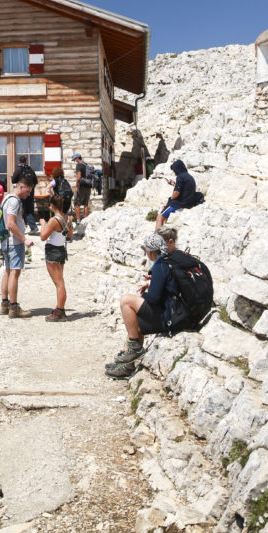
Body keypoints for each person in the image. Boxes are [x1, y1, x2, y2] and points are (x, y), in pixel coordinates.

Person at [104, 232, 180, 379]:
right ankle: (126, 365)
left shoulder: (160, 266)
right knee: (134, 321)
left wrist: (144, 295)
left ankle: (133, 349)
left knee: (126, 301)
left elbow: (153, 298)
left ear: (150, 252)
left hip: (168, 316)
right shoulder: (169, 260)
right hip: (175, 312)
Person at [0, 179, 34, 318]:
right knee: (15, 273)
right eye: (28, 191)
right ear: (21, 187)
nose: (29, 194)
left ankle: (4, 304)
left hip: (5, 241)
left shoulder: (6, 198)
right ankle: (14, 307)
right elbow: (11, 224)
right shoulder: (14, 201)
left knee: (7, 271)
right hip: (15, 242)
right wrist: (24, 239)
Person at [39, 194, 71, 322]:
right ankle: (59, 307)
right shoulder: (68, 218)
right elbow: (70, 234)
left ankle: (60, 311)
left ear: (52, 205)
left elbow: (42, 237)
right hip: (61, 250)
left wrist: (43, 224)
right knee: (60, 281)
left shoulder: (53, 220)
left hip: (52, 251)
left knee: (59, 283)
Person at [155, 159, 198, 229]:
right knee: (166, 211)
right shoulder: (189, 176)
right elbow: (184, 189)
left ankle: (157, 237)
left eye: (174, 170)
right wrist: (174, 184)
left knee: (159, 217)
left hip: (181, 203)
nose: (174, 172)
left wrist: (170, 200)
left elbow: (176, 193)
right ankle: (165, 229)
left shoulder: (180, 177)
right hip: (189, 202)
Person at [11, 156, 38, 232]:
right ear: (26, 161)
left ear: (19, 161)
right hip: (30, 191)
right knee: (30, 209)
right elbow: (36, 181)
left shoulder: (18, 169)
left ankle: (20, 227)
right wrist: (30, 188)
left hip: (22, 190)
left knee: (20, 208)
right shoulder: (30, 169)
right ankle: (33, 227)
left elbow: (13, 180)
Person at [72, 154, 91, 222]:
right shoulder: (86, 164)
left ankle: (78, 220)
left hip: (82, 186)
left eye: (74, 159)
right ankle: (86, 220)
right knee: (86, 204)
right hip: (88, 185)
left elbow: (79, 176)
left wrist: (76, 186)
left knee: (77, 204)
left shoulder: (79, 165)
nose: (75, 161)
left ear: (77, 158)